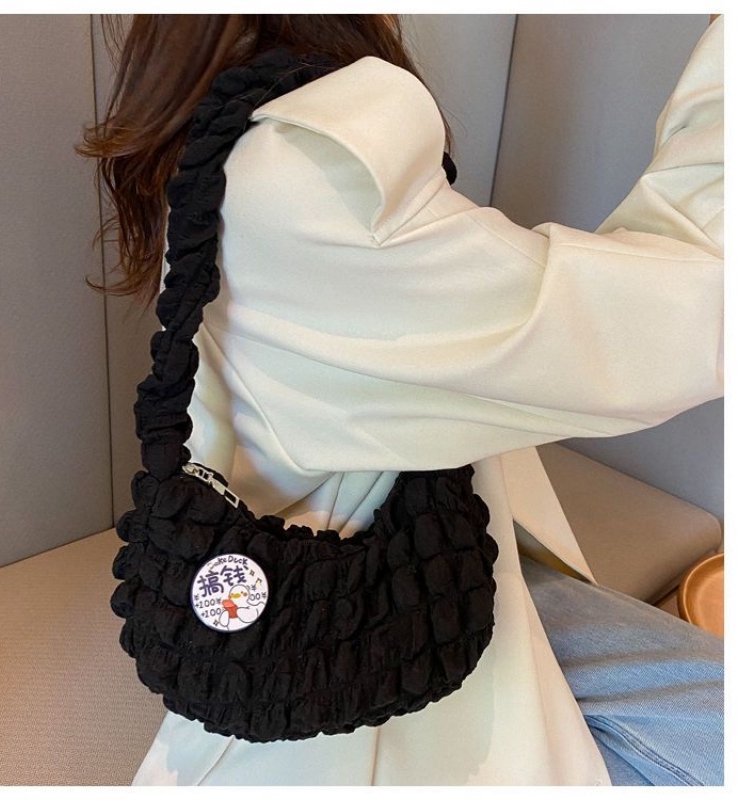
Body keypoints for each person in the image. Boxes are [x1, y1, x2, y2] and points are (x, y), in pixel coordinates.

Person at [78, 14, 723, 786]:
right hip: (373, 640)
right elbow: (678, 324)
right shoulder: (312, 168)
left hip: (431, 578)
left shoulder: (219, 109)